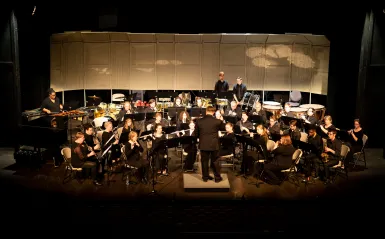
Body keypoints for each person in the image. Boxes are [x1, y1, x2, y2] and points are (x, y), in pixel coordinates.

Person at [195, 106, 224, 182]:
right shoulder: (217, 121)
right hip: (214, 144)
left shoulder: (199, 121)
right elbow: (223, 129)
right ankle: (217, 178)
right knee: (215, 161)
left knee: (204, 161)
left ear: (206, 111)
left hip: (203, 144)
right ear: (213, 112)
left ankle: (205, 177)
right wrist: (222, 121)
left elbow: (196, 134)